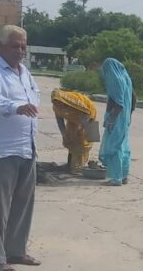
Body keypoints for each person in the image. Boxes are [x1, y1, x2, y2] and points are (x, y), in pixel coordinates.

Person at [0, 25, 41, 271]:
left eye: (23, 46)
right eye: (15, 45)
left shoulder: (25, 73)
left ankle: (16, 251)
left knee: (23, 203)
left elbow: (34, 98)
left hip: (27, 146)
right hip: (1, 150)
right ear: (0, 46)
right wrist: (17, 107)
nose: (20, 51)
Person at [98, 58, 134, 186]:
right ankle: (124, 176)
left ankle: (116, 178)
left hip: (117, 118)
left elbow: (118, 103)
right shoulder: (126, 79)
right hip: (124, 118)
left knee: (114, 146)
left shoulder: (116, 80)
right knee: (123, 146)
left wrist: (111, 120)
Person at [51, 89, 97, 174]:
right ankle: (73, 165)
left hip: (89, 115)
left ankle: (80, 166)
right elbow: (60, 122)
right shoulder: (56, 108)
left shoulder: (74, 102)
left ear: (62, 100)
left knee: (84, 141)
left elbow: (86, 114)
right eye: (54, 102)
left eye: (58, 102)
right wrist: (64, 134)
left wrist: (81, 128)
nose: (57, 105)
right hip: (73, 119)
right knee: (70, 140)